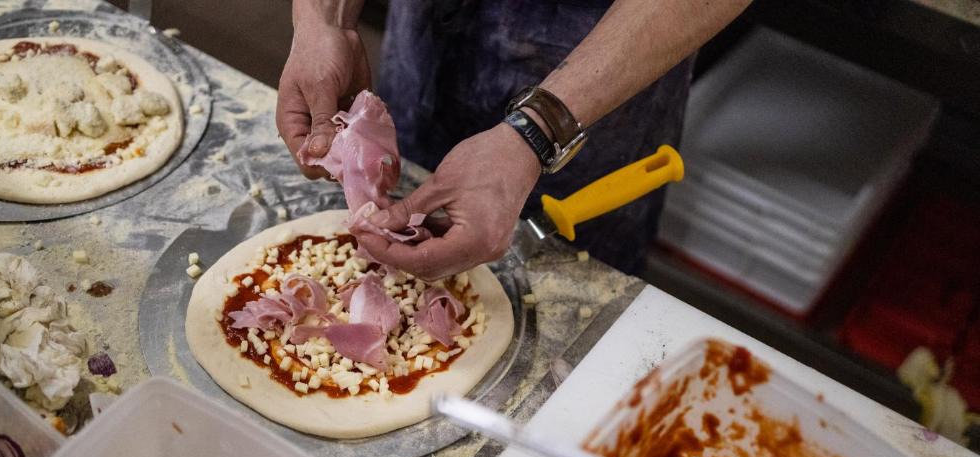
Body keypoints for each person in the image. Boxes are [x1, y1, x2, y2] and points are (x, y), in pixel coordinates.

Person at [276, 0, 751, 281]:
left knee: (564, 309)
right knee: (405, 209)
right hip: (428, 32)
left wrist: (539, 131)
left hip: (606, 60)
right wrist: (326, 20)